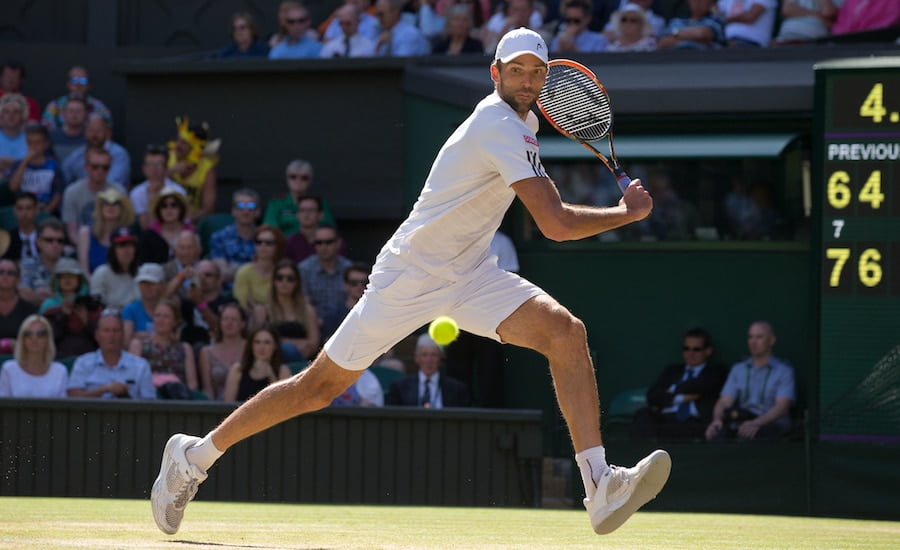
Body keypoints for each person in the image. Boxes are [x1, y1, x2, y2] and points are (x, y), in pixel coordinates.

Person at [150, 28, 666, 538]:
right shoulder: (499, 125)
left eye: (536, 71)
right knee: (317, 388)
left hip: (470, 273)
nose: (527, 79)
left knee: (565, 333)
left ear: (547, 77)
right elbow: (554, 225)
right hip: (410, 275)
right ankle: (193, 458)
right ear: (495, 74)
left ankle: (599, 486)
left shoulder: (525, 122)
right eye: (516, 70)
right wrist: (625, 213)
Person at [444, 230, 518, 408]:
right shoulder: (456, 240)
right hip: (458, 319)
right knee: (456, 376)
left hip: (491, 320)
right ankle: (455, 423)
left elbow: (512, 285)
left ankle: (492, 427)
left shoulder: (503, 242)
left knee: (490, 375)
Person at [705, 321, 795, 441]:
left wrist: (757, 423)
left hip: (770, 425)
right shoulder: (738, 369)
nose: (753, 342)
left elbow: (782, 406)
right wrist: (717, 420)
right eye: (750, 337)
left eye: (759, 337)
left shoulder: (784, 371)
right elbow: (724, 401)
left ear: (772, 340)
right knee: (717, 435)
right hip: (741, 422)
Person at [631, 328, 727, 440]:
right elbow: (652, 395)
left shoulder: (715, 371)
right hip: (666, 421)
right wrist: (680, 398)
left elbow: (700, 385)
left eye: (696, 349)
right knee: (644, 414)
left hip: (695, 423)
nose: (690, 353)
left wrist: (673, 389)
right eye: (686, 349)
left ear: (708, 351)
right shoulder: (672, 370)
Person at [67, 310, 156, 399]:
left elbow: (149, 403)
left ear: (123, 335)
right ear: (97, 335)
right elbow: (73, 398)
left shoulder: (141, 366)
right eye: (106, 330)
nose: (111, 335)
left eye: (116, 330)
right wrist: (104, 390)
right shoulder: (83, 363)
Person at [129, 300, 199, 400]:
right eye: (157, 315)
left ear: (175, 321)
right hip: (147, 398)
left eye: (166, 316)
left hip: (178, 398)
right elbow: (133, 379)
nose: (160, 320)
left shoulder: (185, 348)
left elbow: (192, 384)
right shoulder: (138, 344)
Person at [253, 259, 320, 363]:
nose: (284, 282)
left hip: (301, 364)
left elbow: (313, 344)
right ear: (274, 281)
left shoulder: (308, 310)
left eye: (290, 278)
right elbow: (258, 342)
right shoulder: (262, 311)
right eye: (280, 278)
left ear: (297, 282)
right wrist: (295, 343)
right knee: (287, 349)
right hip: (271, 362)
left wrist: (280, 342)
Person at [61, 147, 126, 244]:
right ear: (86, 167)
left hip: (113, 246)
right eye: (95, 167)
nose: (100, 171)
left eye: (105, 167)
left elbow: (122, 227)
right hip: (81, 244)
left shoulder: (119, 191)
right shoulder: (72, 192)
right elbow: (72, 233)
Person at [298, 225, 352, 340]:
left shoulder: (348, 269)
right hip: (313, 328)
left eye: (329, 242)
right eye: (319, 242)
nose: (323, 247)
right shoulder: (304, 269)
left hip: (345, 328)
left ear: (338, 243)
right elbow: (303, 301)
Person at [386, 333, 470, 407]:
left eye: (433, 355)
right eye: (424, 355)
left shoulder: (457, 389)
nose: (429, 360)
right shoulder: (400, 388)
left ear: (440, 358)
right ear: (417, 358)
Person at [262, 160, 336, 237]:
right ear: (287, 179)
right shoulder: (276, 204)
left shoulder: (320, 203)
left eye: (304, 177)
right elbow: (269, 231)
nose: (298, 180)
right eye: (293, 177)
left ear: (310, 180)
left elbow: (329, 230)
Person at [0, 315, 68, 398]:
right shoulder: (9, 369)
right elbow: (3, 406)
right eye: (28, 334)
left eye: (40, 334)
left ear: (48, 339)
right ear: (22, 339)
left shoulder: (60, 371)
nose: (34, 338)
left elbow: (62, 408)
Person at [166, 116, 220, 221]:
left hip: (192, 221)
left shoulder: (207, 170)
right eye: (178, 140)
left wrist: (187, 221)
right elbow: (151, 184)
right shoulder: (168, 158)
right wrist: (172, 171)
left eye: (184, 143)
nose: (178, 145)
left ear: (196, 148)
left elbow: (208, 209)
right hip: (165, 218)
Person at [222, 326, 292, 402]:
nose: (261, 347)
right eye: (257, 342)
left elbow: (283, 404)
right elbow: (227, 405)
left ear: (275, 346)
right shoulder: (238, 370)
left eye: (267, 342)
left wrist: (271, 377)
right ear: (251, 345)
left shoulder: (282, 371)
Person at [76, 187, 135, 275]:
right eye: (106, 203)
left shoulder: (128, 235)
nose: (110, 207)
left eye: (115, 203)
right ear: (100, 208)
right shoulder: (85, 233)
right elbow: (84, 270)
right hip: (92, 284)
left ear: (122, 209)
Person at [61, 114, 130, 188]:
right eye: (91, 130)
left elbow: (114, 183)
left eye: (99, 130)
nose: (94, 134)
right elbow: (63, 179)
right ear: (85, 133)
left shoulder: (119, 154)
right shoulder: (77, 154)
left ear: (108, 133)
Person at [8, 124, 63, 215]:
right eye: (30, 143)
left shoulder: (54, 166)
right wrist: (25, 162)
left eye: (37, 143)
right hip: (22, 209)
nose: (33, 146)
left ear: (46, 144)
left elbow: (58, 194)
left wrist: (46, 213)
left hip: (44, 208)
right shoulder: (18, 165)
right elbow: (13, 187)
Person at [198, 301, 247, 400]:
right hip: (217, 406)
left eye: (234, 319)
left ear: (242, 324)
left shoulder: (251, 348)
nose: (229, 323)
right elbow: (208, 389)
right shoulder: (207, 352)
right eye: (225, 319)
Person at [210, 189, 261, 283]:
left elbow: (268, 272)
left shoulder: (265, 239)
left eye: (251, 206)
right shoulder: (219, 237)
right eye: (240, 206)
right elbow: (223, 273)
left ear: (257, 212)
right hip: (229, 293)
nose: (246, 211)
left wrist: (234, 267)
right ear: (233, 211)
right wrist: (254, 269)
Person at [131, 145, 187, 230]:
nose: (154, 168)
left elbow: (183, 224)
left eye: (159, 164)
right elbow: (145, 228)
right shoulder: (136, 193)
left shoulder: (178, 192)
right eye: (150, 164)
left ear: (166, 169)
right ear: (143, 169)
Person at [41, 66, 112, 130]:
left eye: (83, 81)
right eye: (74, 80)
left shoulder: (99, 106)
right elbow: (45, 131)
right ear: (68, 84)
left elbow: (107, 130)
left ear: (88, 85)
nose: (78, 84)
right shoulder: (54, 105)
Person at [233, 225, 286, 309]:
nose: (263, 246)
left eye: (269, 243)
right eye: (259, 242)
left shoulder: (284, 273)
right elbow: (242, 306)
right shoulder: (244, 272)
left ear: (278, 246)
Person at [18, 217, 67, 307]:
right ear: (38, 242)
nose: (55, 244)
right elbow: (23, 294)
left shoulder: (70, 265)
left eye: (60, 241)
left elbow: (77, 298)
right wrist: (59, 297)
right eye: (49, 240)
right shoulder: (27, 264)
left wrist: (40, 294)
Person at [88, 226, 140, 310]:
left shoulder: (142, 274)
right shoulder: (101, 273)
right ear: (113, 250)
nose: (126, 250)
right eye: (121, 246)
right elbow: (95, 307)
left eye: (130, 245)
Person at [139, 189, 193, 265]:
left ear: (181, 208)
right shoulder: (148, 235)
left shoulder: (191, 232)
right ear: (158, 210)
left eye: (173, 205)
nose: (169, 209)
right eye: (164, 206)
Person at [122, 263, 167, 345]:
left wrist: (139, 335)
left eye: (152, 283)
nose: (147, 287)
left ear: (161, 285)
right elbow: (126, 342)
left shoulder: (169, 309)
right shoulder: (130, 310)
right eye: (143, 283)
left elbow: (174, 338)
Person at [0, 259, 38, 356]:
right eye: (1, 272)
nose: (5, 276)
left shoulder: (29, 310)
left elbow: (37, 340)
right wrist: (6, 344)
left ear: (18, 279)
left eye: (11, 273)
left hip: (22, 360)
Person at [656, 0, 726, 50]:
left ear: (711, 3)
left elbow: (702, 34)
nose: (698, 2)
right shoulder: (676, 22)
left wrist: (675, 34)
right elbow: (662, 43)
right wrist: (695, 40)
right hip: (676, 64)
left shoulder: (717, 20)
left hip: (706, 64)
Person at [771, 0, 841, 44]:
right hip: (786, 35)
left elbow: (828, 12)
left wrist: (800, 11)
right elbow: (787, 10)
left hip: (813, 39)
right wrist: (817, 16)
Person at [1, 192, 39, 263]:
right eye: (20, 208)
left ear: (36, 210)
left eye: (29, 208)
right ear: (15, 211)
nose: (24, 213)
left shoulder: (45, 235)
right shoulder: (7, 238)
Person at [47, 96, 88, 164]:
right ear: (63, 113)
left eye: (78, 111)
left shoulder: (90, 137)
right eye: (71, 111)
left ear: (85, 114)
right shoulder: (51, 136)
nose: (74, 115)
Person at [284, 196, 325, 263]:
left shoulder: (331, 242)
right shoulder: (288, 243)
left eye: (311, 210)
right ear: (297, 215)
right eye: (302, 210)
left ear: (320, 215)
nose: (306, 214)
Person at [0, 93, 28, 174]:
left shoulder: (30, 138)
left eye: (16, 112)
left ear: (23, 115)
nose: (11, 116)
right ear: (1, 115)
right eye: (6, 112)